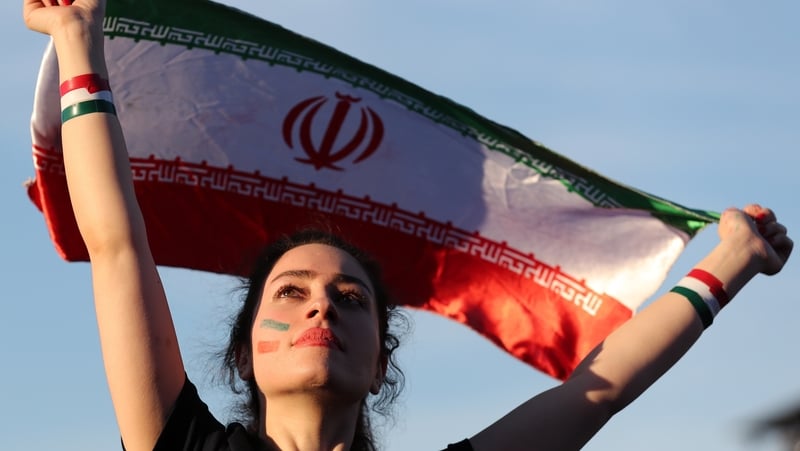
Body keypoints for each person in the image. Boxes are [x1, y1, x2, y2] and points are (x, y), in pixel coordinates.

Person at [23, 1, 793, 450]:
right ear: (243, 354)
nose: (322, 307)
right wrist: (79, 42)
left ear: (381, 363)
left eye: (350, 298)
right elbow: (118, 244)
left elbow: (600, 389)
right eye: (291, 292)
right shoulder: (180, 442)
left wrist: (730, 260)